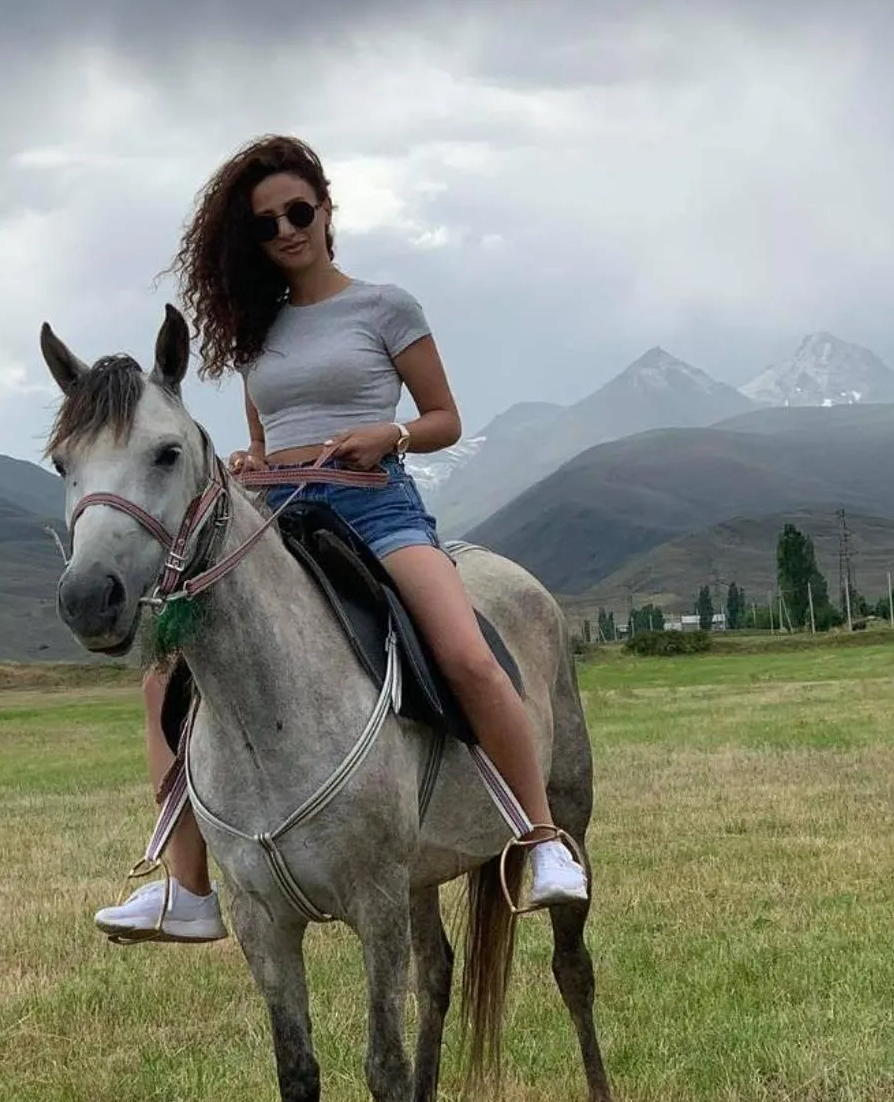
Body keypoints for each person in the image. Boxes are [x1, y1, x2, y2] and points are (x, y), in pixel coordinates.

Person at [95, 134, 590, 942]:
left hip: (375, 508)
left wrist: (390, 434)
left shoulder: (386, 308)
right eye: (266, 224)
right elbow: (271, 432)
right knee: (163, 673)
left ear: (327, 210)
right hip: (278, 516)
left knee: (468, 656)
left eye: (298, 212)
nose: (286, 231)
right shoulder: (257, 332)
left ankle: (540, 842)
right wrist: (253, 461)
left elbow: (445, 419)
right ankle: (187, 888)